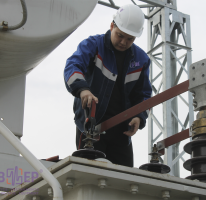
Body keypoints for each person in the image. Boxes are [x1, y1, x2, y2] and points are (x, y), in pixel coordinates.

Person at [64, 4, 152, 167]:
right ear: (112, 26)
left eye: (130, 39)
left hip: (122, 132)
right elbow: (73, 66)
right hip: (91, 130)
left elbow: (144, 96)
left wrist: (139, 117)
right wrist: (83, 90)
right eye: (120, 35)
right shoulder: (92, 46)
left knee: (124, 181)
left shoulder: (142, 60)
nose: (124, 42)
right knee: (89, 176)